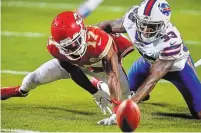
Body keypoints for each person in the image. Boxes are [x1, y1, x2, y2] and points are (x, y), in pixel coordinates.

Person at [1, 11, 134, 116]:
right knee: (32, 79)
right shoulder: (54, 47)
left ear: (83, 33)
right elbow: (73, 71)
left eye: (75, 43)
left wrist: (116, 107)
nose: (72, 49)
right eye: (67, 47)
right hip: (78, 66)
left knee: (125, 98)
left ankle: (98, 82)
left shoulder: (99, 40)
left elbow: (113, 75)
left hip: (103, 70)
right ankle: (20, 91)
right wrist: (95, 93)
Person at [96, 0, 201, 125]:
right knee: (127, 93)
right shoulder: (133, 19)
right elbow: (108, 26)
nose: (145, 30)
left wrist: (126, 108)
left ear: (163, 25)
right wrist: (87, 33)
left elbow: (152, 79)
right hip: (147, 62)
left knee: (198, 113)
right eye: (143, 24)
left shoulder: (171, 41)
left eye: (152, 26)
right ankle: (138, 94)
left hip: (177, 69)